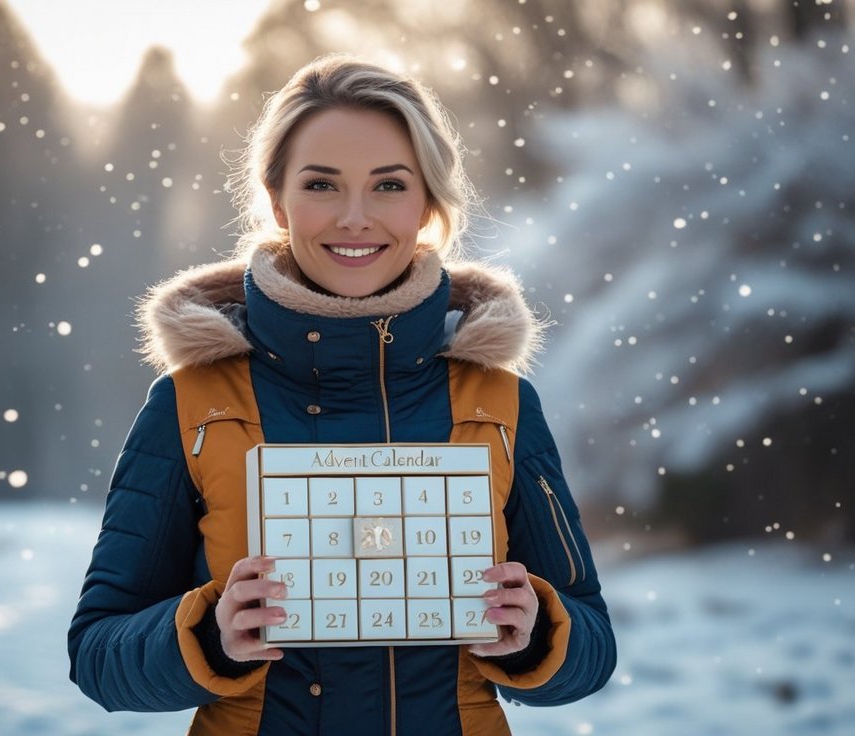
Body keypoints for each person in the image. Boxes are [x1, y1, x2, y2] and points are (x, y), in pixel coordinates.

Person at [68, 54, 616, 735]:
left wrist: (535, 631)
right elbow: (96, 657)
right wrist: (209, 634)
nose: (355, 217)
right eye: (321, 184)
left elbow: (591, 642)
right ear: (277, 200)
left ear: (426, 205)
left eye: (388, 185)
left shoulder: (499, 403)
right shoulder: (192, 403)